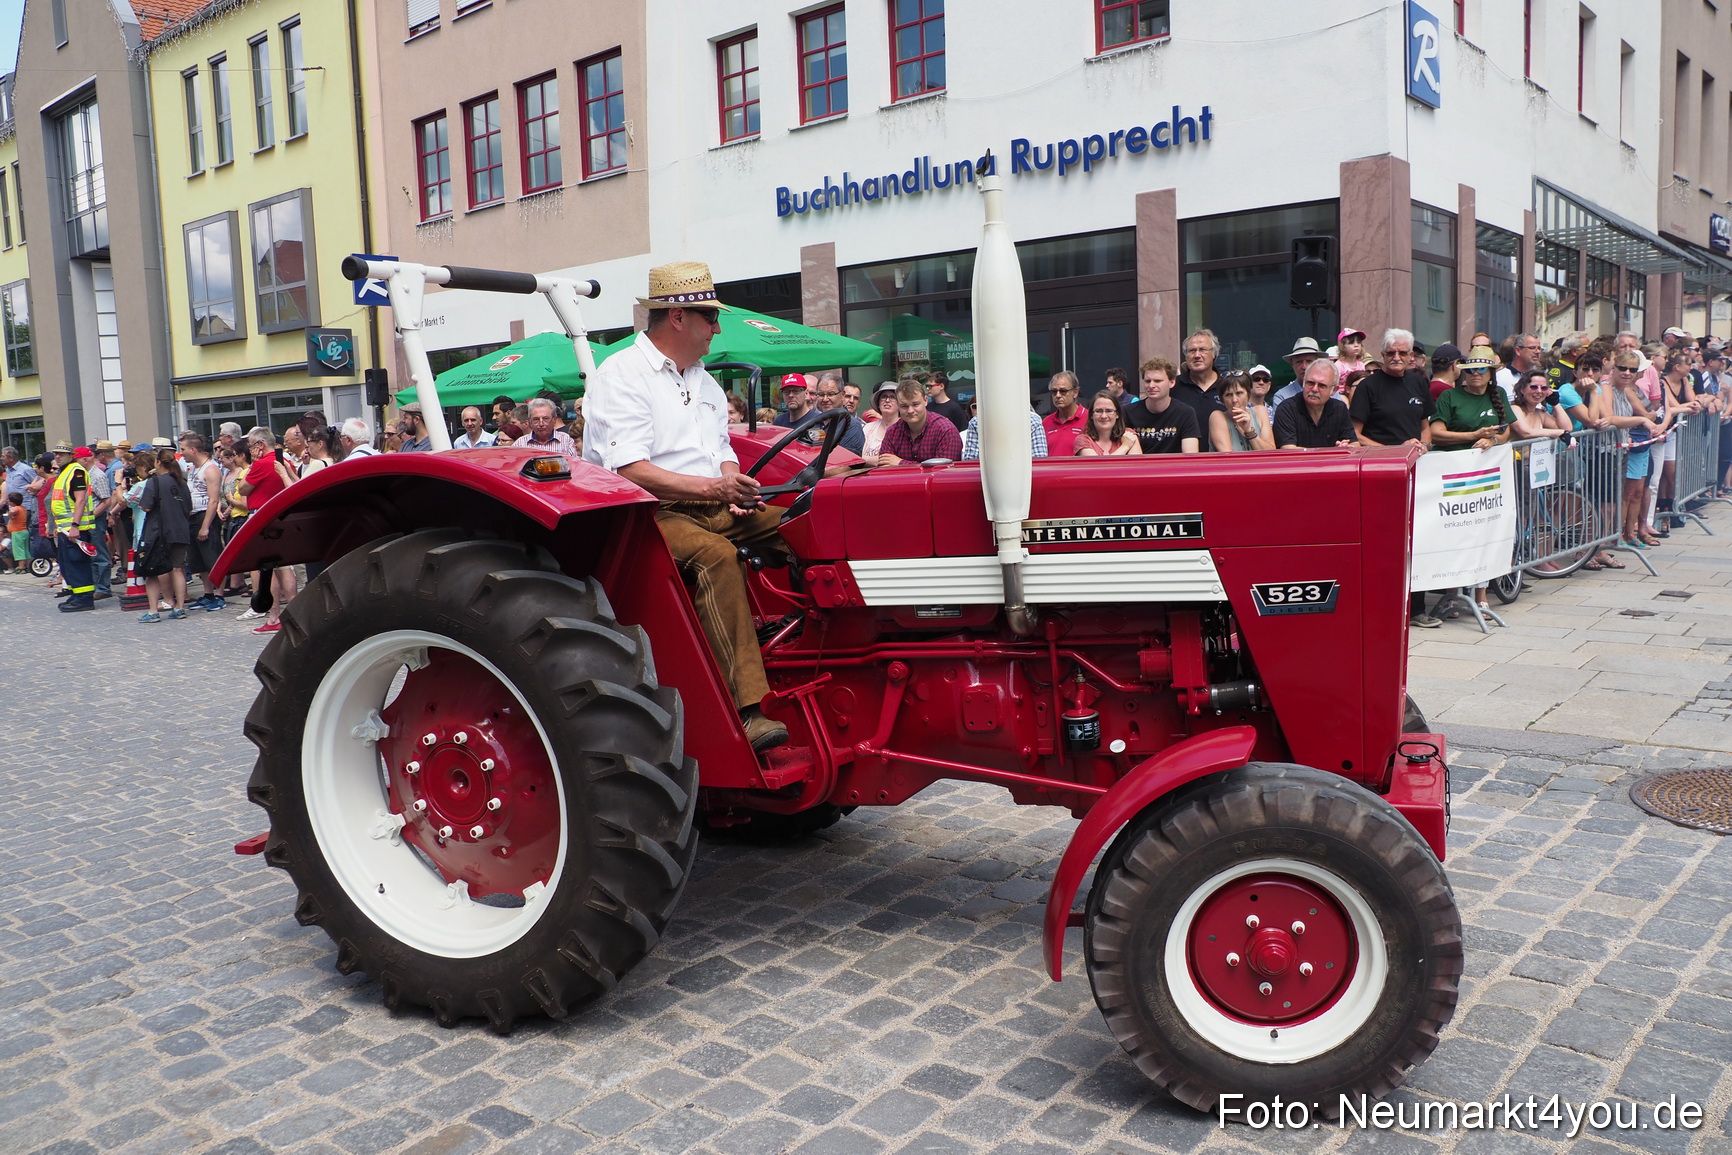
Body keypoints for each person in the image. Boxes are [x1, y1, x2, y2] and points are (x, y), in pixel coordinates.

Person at [582, 261, 789, 752]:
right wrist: (716, 492)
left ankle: (816, 654)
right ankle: (747, 712)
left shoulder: (703, 381)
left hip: (708, 502)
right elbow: (629, 472)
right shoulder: (621, 375)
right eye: (710, 318)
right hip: (646, 516)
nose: (717, 328)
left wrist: (730, 485)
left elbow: (721, 452)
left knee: (808, 524)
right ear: (677, 316)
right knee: (716, 558)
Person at [1352, 330, 1437, 626]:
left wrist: (1422, 446)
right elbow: (1356, 435)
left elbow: (1426, 425)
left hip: (1416, 472)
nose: (1398, 358)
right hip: (1381, 474)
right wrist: (1393, 452)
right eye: (1391, 353)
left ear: (1412, 355)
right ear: (1382, 355)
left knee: (1417, 540)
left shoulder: (1417, 382)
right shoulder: (1368, 387)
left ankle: (1416, 609)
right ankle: (1383, 610)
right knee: (1385, 543)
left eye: (1403, 353)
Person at [237, 437, 300, 632]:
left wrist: (254, 465)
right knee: (285, 567)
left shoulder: (262, 464)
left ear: (260, 445)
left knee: (268, 569)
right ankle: (295, 612)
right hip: (282, 516)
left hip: (261, 518)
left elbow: (243, 489)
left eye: (252, 446)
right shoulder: (284, 461)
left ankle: (274, 617)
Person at [137, 447, 193, 621]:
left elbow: (145, 506)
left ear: (158, 463)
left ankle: (153, 610)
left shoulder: (154, 482)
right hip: (180, 530)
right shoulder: (181, 481)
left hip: (158, 533)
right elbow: (189, 509)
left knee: (152, 571)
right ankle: (180, 608)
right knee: (178, 569)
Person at [177, 432, 225, 611]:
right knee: (198, 560)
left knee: (212, 557)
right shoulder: (193, 469)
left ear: (193, 449)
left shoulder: (211, 469)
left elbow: (213, 500)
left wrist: (205, 526)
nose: (181, 453)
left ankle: (219, 594)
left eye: (183, 449)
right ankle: (208, 593)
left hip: (205, 516)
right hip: (192, 516)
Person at [49, 442, 97, 612]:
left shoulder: (76, 471)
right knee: (67, 563)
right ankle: (77, 595)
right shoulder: (65, 472)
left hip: (76, 528)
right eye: (56, 454)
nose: (58, 456)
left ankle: (84, 598)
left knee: (77, 563)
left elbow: (80, 500)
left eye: (62, 454)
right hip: (65, 528)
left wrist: (75, 525)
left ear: (71, 455)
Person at [1123, 358, 1200, 454]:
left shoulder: (1185, 413)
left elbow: (1191, 455)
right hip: (1139, 466)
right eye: (1147, 381)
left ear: (1172, 382)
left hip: (1175, 467)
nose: (1151, 385)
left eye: (1157, 381)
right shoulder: (1128, 412)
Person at [1275, 359, 1357, 449]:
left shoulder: (1340, 408)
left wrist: (1346, 447)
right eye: (1310, 383)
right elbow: (1288, 450)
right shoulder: (1287, 409)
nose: (1314, 389)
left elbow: (1355, 445)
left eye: (1322, 385)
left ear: (1334, 390)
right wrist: (1332, 452)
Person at [879, 378, 962, 465]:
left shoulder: (946, 431)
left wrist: (901, 463)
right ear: (898, 405)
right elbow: (884, 468)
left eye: (915, 404)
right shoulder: (892, 433)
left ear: (925, 401)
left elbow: (944, 472)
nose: (910, 410)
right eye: (904, 406)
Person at [1173, 329, 1229, 451]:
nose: (1197, 355)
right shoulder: (1173, 387)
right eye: (1192, 351)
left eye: (1203, 350)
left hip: (1221, 461)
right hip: (1183, 461)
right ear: (1186, 356)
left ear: (1214, 354)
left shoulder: (1228, 387)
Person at [809, 374, 866, 454]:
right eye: (821, 395)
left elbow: (847, 464)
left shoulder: (851, 426)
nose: (825, 399)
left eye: (831, 394)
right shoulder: (813, 423)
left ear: (842, 395)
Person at [1269, 337, 1330, 411]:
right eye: (1299, 362)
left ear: (1318, 363)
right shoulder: (1282, 396)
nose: (1304, 367)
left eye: (1309, 361)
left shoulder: (1331, 392)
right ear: (1292, 364)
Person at [1218, 372, 1273, 451]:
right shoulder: (1218, 417)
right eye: (1228, 395)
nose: (1234, 400)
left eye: (1239, 393)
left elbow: (1270, 454)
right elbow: (1228, 457)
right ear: (1222, 399)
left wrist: (1249, 431)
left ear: (1248, 394)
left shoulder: (1261, 411)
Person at [1074, 391, 1141, 456]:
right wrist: (1125, 446)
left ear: (1117, 414)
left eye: (1109, 411)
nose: (1104, 416)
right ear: (1091, 415)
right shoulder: (1083, 440)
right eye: (1098, 411)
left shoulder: (1129, 435)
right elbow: (1097, 466)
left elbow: (1136, 466)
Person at [522, 398, 583, 464]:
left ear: (554, 420)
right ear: (529, 421)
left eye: (545, 419)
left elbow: (576, 466)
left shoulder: (567, 441)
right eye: (536, 419)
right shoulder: (520, 444)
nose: (541, 424)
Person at [1041, 371, 1088, 456]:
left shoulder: (1089, 419)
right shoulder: (1046, 422)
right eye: (1054, 391)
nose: (1058, 395)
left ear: (1075, 392)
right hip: (1051, 469)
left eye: (1063, 391)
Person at [1496, 332, 1545, 396]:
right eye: (1532, 348)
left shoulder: (1540, 377)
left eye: (1539, 348)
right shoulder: (1501, 377)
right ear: (1518, 351)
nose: (1537, 352)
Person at [861, 383, 899, 459]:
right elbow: (858, 457)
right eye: (883, 397)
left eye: (892, 397)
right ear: (878, 403)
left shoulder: (905, 427)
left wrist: (866, 460)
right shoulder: (868, 428)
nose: (887, 400)